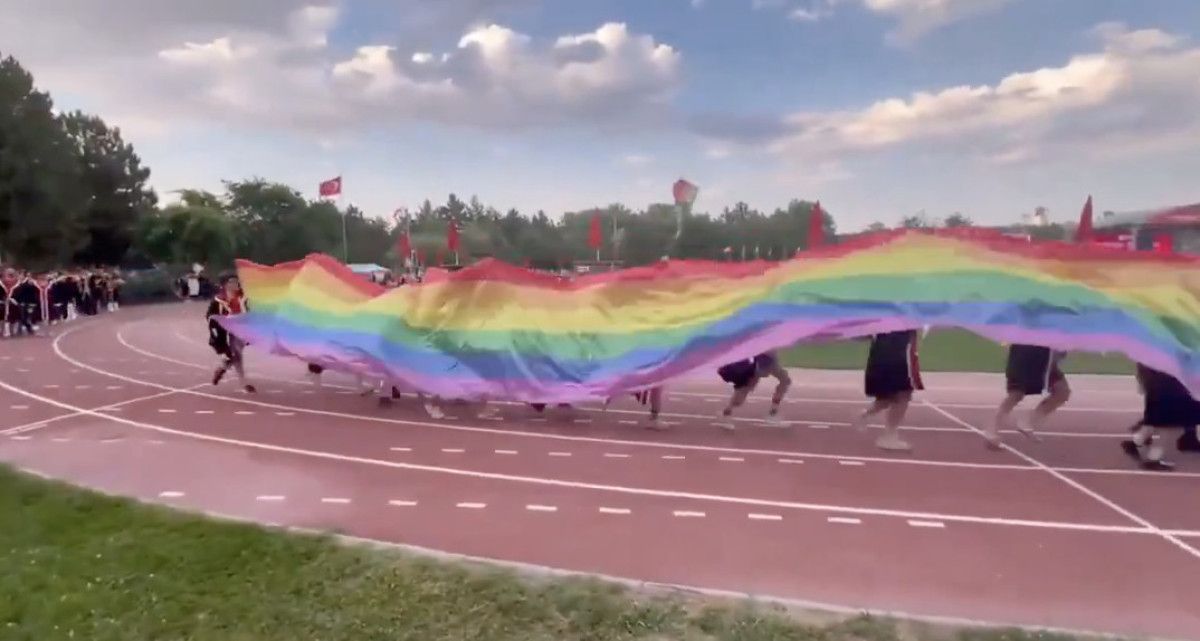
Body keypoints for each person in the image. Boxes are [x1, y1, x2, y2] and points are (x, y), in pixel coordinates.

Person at [850, 329, 923, 452]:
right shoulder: (901, 319)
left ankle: (865, 415)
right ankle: (889, 436)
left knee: (888, 397)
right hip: (898, 356)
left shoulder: (885, 318)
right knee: (902, 396)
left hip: (883, 354)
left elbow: (862, 335)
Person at [986, 344, 1070, 449]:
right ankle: (992, 430)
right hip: (1024, 356)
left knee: (1062, 392)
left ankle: (1027, 422)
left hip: (1045, 361)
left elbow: (1060, 352)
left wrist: (1061, 350)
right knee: (1016, 394)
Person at [1123, 364, 1200, 470]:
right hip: (1171, 390)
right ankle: (1152, 459)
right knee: (1170, 428)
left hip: (1160, 387)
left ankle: (1137, 441)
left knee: (1159, 422)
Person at [206, 274, 256, 393]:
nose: (235, 284)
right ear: (225, 285)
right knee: (233, 355)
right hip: (222, 329)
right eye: (231, 282)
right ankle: (241, 381)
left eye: (236, 281)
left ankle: (225, 368)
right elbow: (210, 317)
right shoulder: (218, 300)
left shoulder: (243, 298)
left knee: (235, 355)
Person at [717, 351, 792, 428]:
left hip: (770, 363)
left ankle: (773, 412)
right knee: (743, 391)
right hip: (759, 366)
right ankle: (726, 413)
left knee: (785, 380)